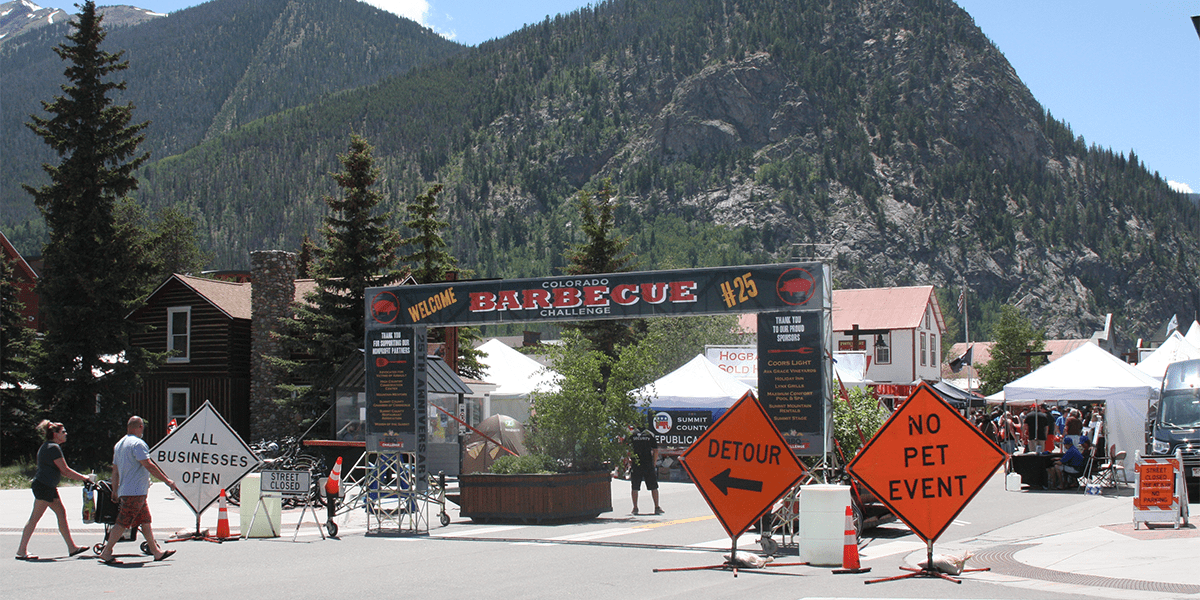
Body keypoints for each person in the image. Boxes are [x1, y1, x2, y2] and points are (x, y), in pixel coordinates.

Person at [97, 416, 178, 564]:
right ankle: (106, 552)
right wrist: (166, 480)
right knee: (122, 522)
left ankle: (156, 552)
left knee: (145, 521)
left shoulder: (119, 445)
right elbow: (148, 464)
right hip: (135, 491)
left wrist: (115, 490)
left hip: (127, 490)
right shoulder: (137, 444)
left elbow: (114, 471)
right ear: (140, 427)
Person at [15, 420, 95, 560]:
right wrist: (84, 478)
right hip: (44, 487)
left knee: (61, 514)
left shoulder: (48, 446)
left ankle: (72, 548)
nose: (66, 434)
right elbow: (65, 470)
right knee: (34, 518)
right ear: (55, 434)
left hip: (47, 487)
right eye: (63, 432)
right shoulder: (53, 448)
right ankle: (21, 551)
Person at [629, 425, 663, 515]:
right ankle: (657, 507)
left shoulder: (632, 434)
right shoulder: (649, 434)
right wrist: (654, 463)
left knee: (635, 486)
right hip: (648, 463)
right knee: (654, 486)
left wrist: (628, 460)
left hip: (636, 463)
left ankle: (635, 508)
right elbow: (655, 450)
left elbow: (626, 448)